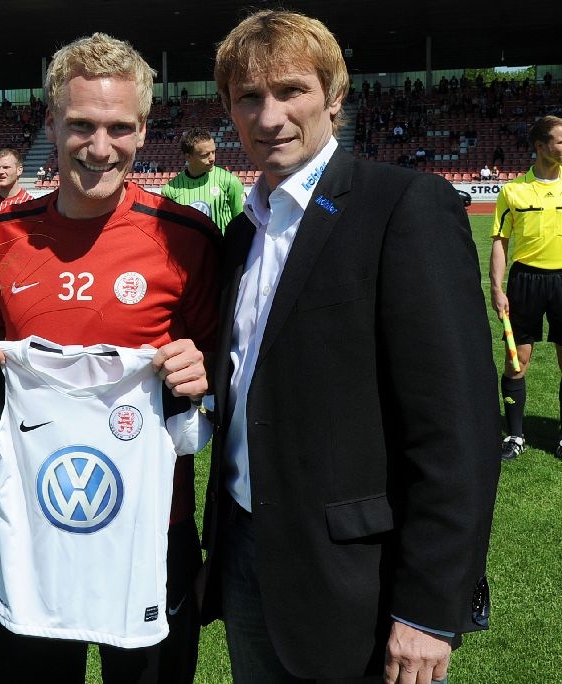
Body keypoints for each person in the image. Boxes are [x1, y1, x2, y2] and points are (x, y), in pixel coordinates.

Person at [199, 10, 501, 683]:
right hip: (246, 554)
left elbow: (457, 428)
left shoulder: (403, 206)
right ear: (228, 110)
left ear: (334, 96)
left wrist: (428, 611)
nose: (270, 117)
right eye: (249, 97)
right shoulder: (243, 235)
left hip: (359, 577)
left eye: (292, 91)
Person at [0, 32, 219, 684]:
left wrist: (203, 372)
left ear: (143, 129)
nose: (100, 147)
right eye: (82, 125)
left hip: (155, 526)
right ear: (51, 125)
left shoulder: (187, 239)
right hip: (36, 531)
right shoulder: (3, 237)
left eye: (119, 127)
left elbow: (228, 368)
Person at [490, 115, 562, 461]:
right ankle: (515, 435)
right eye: (560, 140)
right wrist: (496, 288)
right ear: (540, 146)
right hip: (525, 282)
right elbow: (500, 241)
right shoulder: (513, 191)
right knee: (516, 361)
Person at [161, 127, 245, 233]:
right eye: (205, 155)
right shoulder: (170, 191)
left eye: (213, 152)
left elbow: (243, 226)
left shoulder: (230, 181)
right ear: (188, 157)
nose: (212, 158)